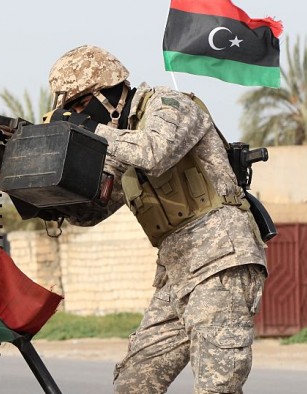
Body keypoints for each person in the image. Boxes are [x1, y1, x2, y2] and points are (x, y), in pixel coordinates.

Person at [47, 45, 268, 394]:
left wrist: (87, 129)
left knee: (217, 386)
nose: (78, 114)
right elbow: (95, 211)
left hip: (219, 260)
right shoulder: (122, 143)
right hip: (175, 272)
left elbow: (153, 152)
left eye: (79, 105)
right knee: (134, 382)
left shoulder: (170, 105)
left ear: (106, 93)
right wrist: (46, 197)